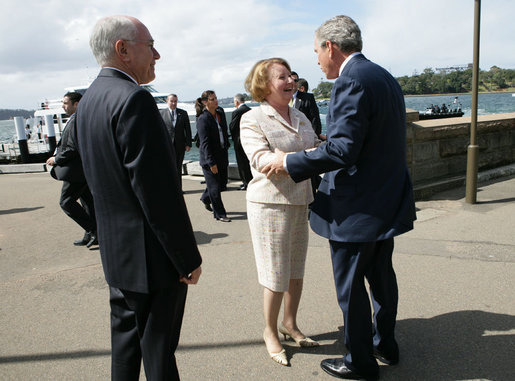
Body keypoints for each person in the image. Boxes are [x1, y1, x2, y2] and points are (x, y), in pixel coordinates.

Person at [262, 16, 416, 380]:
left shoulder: (351, 80)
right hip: (385, 199)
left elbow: (344, 149)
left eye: (316, 51)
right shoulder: (382, 76)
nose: (316, 60)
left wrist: (289, 160)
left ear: (330, 47)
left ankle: (359, 363)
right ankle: (385, 345)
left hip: (357, 208)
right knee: (382, 279)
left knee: (351, 288)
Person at [75, 15, 202, 380]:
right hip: (152, 258)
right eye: (151, 46)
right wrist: (185, 257)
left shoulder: (90, 100)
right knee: (159, 351)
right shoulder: (135, 100)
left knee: (127, 348)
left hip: (117, 252)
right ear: (123, 49)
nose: (157, 54)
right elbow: (157, 194)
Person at [240, 57, 321, 366]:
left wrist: (288, 157)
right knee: (275, 275)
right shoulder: (253, 119)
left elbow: (317, 148)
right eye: (281, 77)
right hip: (269, 204)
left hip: (301, 199)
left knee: (296, 271)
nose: (290, 81)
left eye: (290, 76)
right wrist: (307, 156)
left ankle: (291, 323)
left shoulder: (301, 115)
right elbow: (262, 161)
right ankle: (270, 332)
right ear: (264, 84)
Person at [46, 92, 97, 248]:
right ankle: (91, 234)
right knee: (87, 202)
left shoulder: (78, 120)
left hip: (77, 171)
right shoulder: (75, 119)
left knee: (66, 202)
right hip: (80, 171)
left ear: (77, 103)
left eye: (66, 103)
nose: (63, 105)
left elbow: (73, 147)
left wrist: (56, 159)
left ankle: (94, 230)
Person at [195, 90, 231, 222]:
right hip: (209, 159)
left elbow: (224, 131)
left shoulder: (220, 113)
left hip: (222, 155)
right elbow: (204, 144)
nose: (216, 101)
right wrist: (211, 163)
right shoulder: (202, 119)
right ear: (205, 102)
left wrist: (226, 145)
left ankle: (205, 198)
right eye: (212, 99)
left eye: (216, 98)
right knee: (215, 188)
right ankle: (220, 214)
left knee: (221, 184)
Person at [159, 93, 193, 192]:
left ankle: (178, 189)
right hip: (167, 145)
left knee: (178, 167)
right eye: (171, 101)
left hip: (179, 145)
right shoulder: (161, 113)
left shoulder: (183, 113)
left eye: (175, 101)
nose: (173, 103)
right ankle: (169, 188)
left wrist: (188, 143)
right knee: (168, 167)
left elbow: (187, 129)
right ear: (167, 101)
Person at [229, 93, 252, 190]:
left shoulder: (237, 112)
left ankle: (245, 182)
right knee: (249, 162)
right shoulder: (250, 110)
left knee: (242, 163)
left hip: (239, 141)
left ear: (236, 102)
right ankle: (250, 181)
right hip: (249, 139)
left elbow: (232, 127)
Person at [290, 71, 323, 140]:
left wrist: (314, 138)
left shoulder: (308, 98)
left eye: (295, 80)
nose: (292, 82)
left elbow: (315, 120)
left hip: (305, 138)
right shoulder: (281, 98)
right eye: (290, 80)